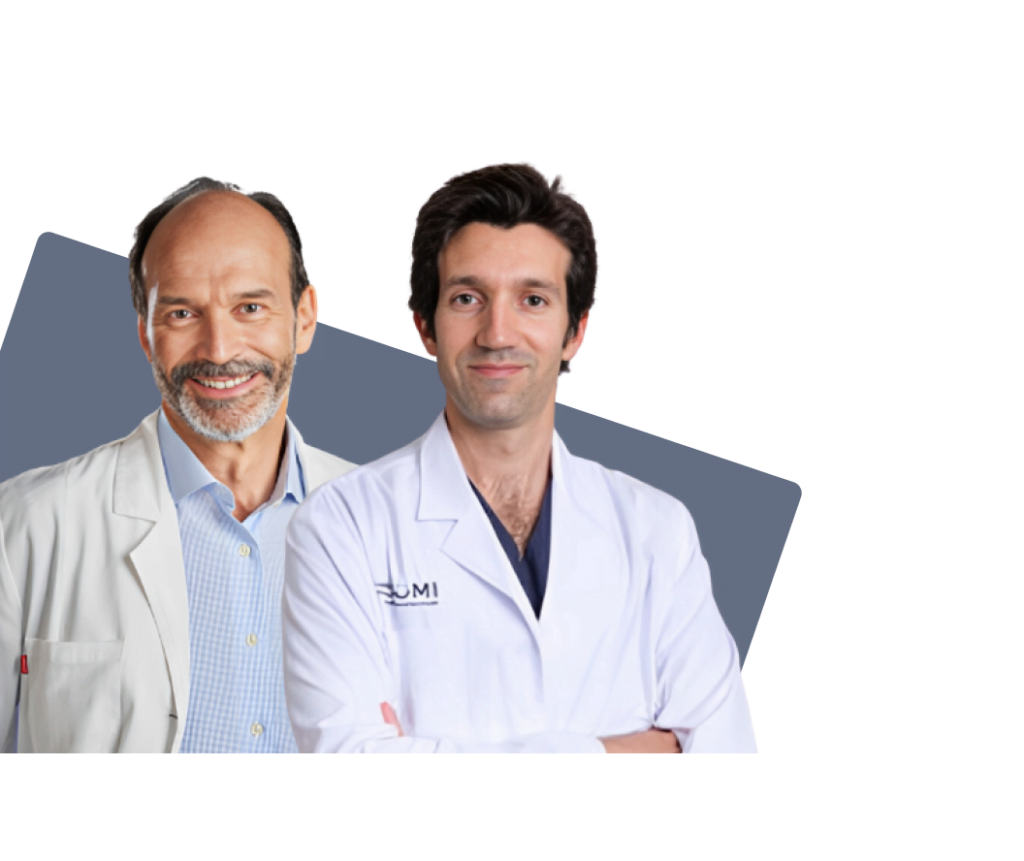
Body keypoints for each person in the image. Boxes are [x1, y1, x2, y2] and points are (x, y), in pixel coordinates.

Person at [282, 161, 761, 771]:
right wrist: (626, 761)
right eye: (467, 299)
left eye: (533, 300)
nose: (497, 333)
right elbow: (352, 770)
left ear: (574, 333)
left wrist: (424, 767)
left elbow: (726, 777)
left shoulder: (656, 531)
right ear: (425, 327)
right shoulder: (340, 526)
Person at [0, 176, 357, 755]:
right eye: (183, 312)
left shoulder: (391, 525)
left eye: (250, 307)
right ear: (145, 332)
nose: (219, 349)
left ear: (305, 319)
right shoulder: (23, 525)